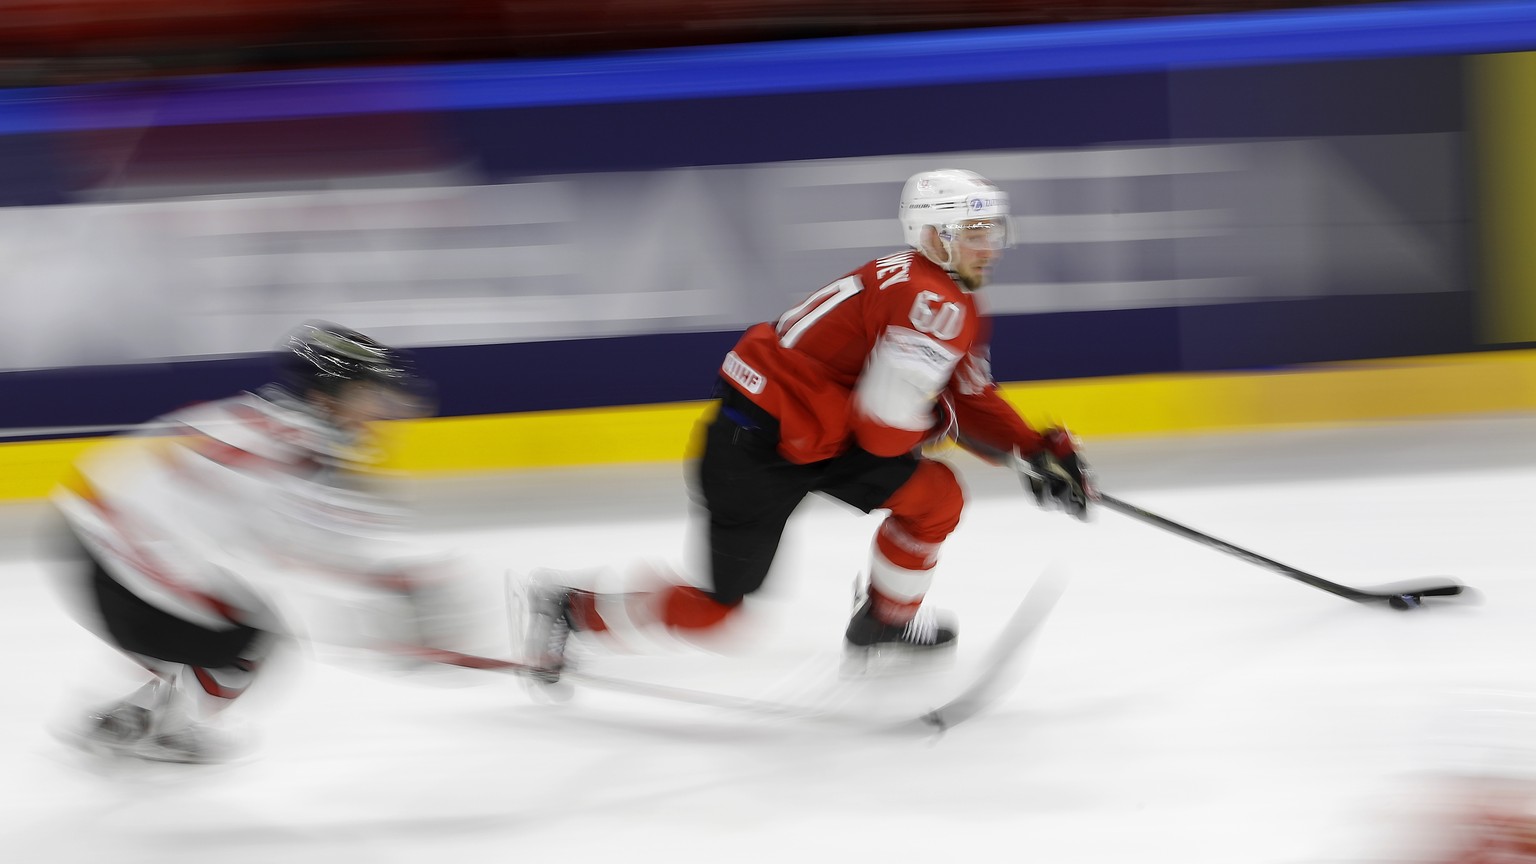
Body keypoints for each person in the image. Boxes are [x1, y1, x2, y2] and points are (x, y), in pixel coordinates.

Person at [524, 168, 1092, 683]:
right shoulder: (932, 302)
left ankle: (884, 622)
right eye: (973, 231)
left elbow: (968, 393)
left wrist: (1035, 447)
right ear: (934, 236)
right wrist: (968, 434)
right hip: (758, 447)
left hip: (818, 434)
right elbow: (887, 433)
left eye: (991, 230)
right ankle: (571, 609)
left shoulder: (944, 295)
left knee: (936, 498)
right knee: (716, 612)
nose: (989, 246)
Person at [50, 321, 454, 763]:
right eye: (366, 392)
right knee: (243, 639)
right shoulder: (301, 445)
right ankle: (153, 728)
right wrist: (391, 591)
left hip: (97, 534)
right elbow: (301, 548)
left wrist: (382, 590)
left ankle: (137, 716)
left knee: (228, 626)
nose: (378, 405)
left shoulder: (277, 420)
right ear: (329, 394)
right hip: (117, 549)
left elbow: (288, 538)